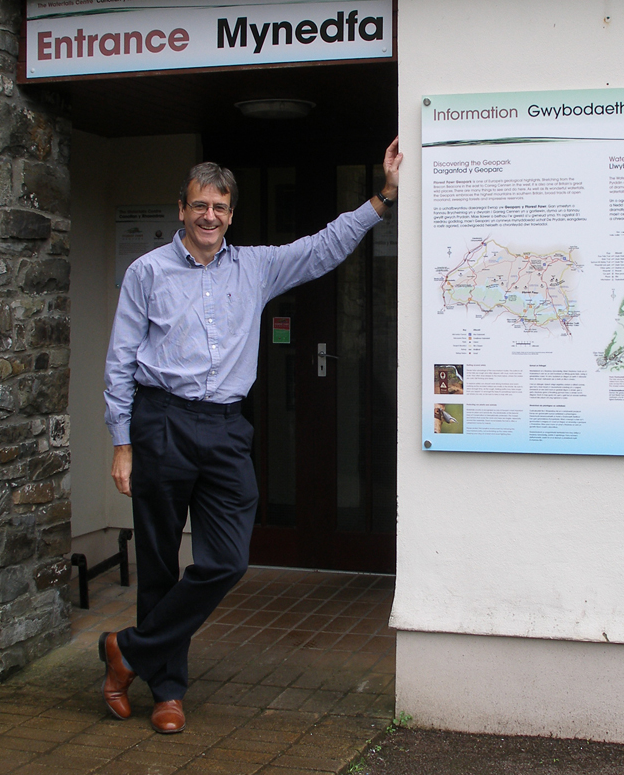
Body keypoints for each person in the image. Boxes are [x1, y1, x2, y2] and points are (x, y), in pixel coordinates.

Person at [100, 138, 401, 734]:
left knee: (228, 560)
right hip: (160, 422)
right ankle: (168, 692)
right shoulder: (147, 272)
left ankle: (127, 650)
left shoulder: (255, 267)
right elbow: (120, 361)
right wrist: (122, 442)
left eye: (219, 207)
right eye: (199, 205)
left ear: (231, 214)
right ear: (182, 209)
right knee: (159, 563)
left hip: (225, 427)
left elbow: (322, 247)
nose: (209, 216)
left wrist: (383, 198)